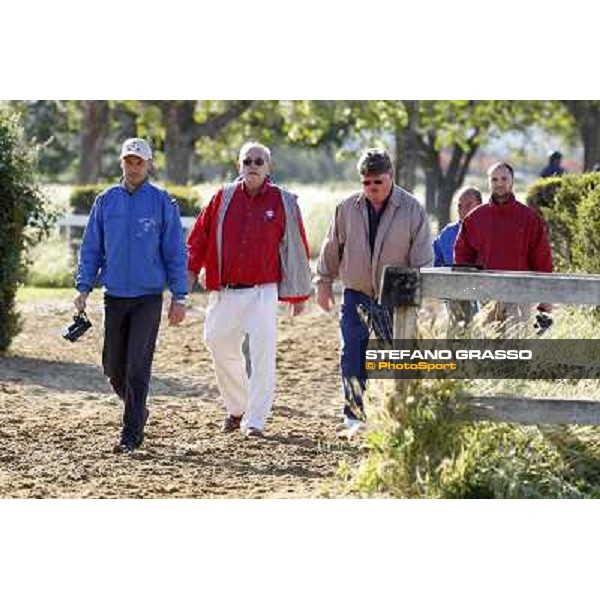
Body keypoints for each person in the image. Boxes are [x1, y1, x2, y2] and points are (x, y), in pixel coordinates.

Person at [186, 142, 312, 438]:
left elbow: (296, 247)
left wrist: (297, 292)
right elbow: (199, 237)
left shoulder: (284, 201)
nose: (253, 165)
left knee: (262, 354)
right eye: (247, 161)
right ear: (238, 166)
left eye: (259, 161)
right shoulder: (222, 197)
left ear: (269, 167)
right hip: (225, 289)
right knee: (216, 342)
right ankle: (237, 407)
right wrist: (191, 269)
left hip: (263, 292)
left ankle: (255, 420)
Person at [74, 138, 188, 454]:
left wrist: (180, 296)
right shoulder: (105, 201)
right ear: (122, 162)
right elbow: (91, 248)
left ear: (149, 164)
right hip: (114, 296)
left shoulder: (163, 202)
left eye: (139, 161)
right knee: (112, 366)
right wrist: (83, 287)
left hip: (148, 298)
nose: (134, 166)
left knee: (137, 366)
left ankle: (131, 434)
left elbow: (175, 252)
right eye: (129, 161)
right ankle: (138, 410)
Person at [315, 148, 433, 434]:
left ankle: (405, 412)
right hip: (356, 292)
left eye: (377, 182)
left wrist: (417, 298)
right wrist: (323, 281)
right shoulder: (346, 208)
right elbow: (332, 247)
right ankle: (354, 416)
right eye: (366, 183)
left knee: (402, 355)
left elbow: (422, 258)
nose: (371, 188)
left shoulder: (412, 208)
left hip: (397, 295)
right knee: (352, 353)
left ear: (390, 177)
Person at [454, 161, 553, 326]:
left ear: (512, 181)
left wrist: (546, 296)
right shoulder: (475, 218)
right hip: (487, 295)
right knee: (488, 347)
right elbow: (463, 255)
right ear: (489, 182)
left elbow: (542, 258)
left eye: (504, 179)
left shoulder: (529, 218)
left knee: (519, 348)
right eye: (494, 180)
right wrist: (469, 287)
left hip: (521, 294)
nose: (499, 184)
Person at [433, 186, 483, 329]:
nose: (463, 210)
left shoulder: (490, 231)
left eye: (469, 205)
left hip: (485, 295)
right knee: (456, 337)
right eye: (460, 206)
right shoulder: (448, 233)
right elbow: (436, 262)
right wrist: (443, 292)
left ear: (481, 206)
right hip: (455, 295)